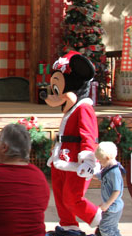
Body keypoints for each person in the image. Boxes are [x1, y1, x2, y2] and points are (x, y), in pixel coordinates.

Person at [44, 51, 101, 236]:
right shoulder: (71, 109)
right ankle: (69, 227)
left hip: (76, 160)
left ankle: (102, 220)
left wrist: (88, 159)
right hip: (62, 158)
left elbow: (88, 135)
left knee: (72, 197)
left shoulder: (84, 108)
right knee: (61, 197)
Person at [94, 142, 125, 236]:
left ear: (107, 158)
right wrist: (89, 174)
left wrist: (107, 204)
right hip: (110, 206)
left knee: (105, 228)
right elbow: (101, 176)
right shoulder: (108, 168)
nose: (100, 163)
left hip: (113, 206)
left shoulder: (115, 172)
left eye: (100, 161)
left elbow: (117, 190)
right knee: (111, 228)